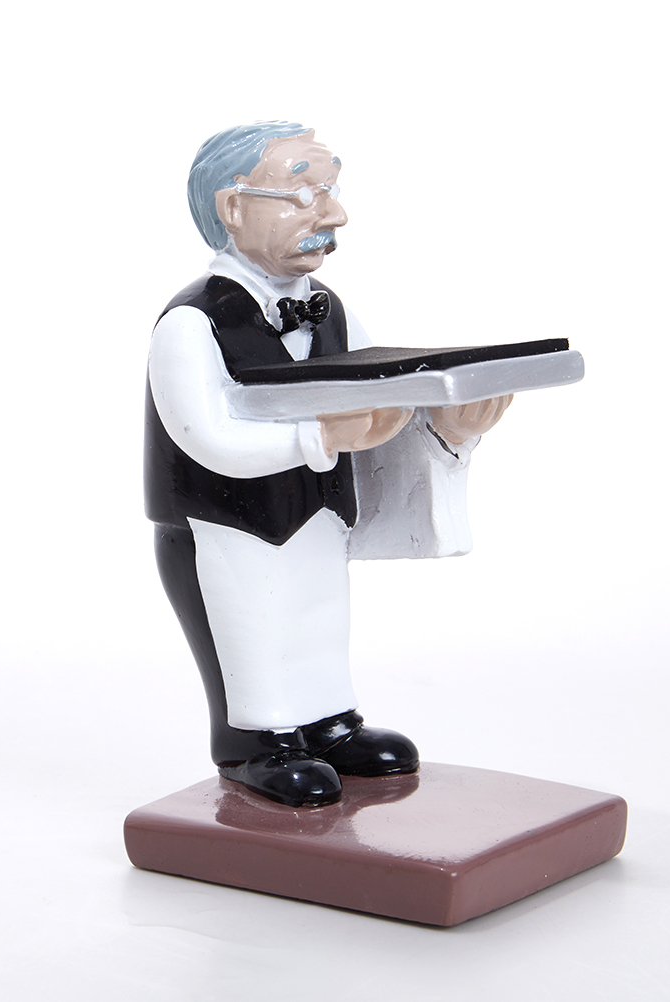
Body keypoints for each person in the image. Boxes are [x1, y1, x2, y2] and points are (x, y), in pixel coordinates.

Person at [145, 122, 511, 807]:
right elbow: (204, 436)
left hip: (317, 516)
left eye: (332, 191)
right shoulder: (192, 322)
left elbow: (380, 399)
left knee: (317, 620)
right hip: (225, 528)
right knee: (253, 631)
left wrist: (446, 430)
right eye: (303, 195)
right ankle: (257, 741)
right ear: (232, 207)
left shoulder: (331, 311)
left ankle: (327, 722)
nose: (334, 214)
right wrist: (316, 438)